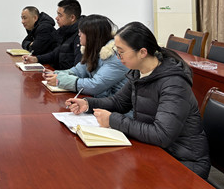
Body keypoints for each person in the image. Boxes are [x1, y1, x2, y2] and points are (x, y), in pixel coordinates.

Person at [65, 22, 210, 179]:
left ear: (142, 52)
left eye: (121, 52)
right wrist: (88, 104)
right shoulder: (138, 72)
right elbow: (119, 102)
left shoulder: (174, 83)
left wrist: (113, 120)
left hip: (184, 161)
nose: (118, 57)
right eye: (117, 51)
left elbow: (162, 134)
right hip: (153, 150)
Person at [44, 14, 126, 97]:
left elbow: (95, 85)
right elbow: (77, 71)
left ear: (92, 35)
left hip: (114, 103)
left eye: (81, 32)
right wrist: (55, 74)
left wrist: (60, 80)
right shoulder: (93, 50)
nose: (79, 35)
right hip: (100, 99)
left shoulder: (115, 56)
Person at [23, 0, 82, 70]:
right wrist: (36, 59)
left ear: (72, 17)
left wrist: (57, 74)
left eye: (60, 15)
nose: (56, 18)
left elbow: (78, 70)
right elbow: (55, 54)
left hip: (65, 75)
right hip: (58, 72)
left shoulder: (81, 36)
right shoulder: (63, 31)